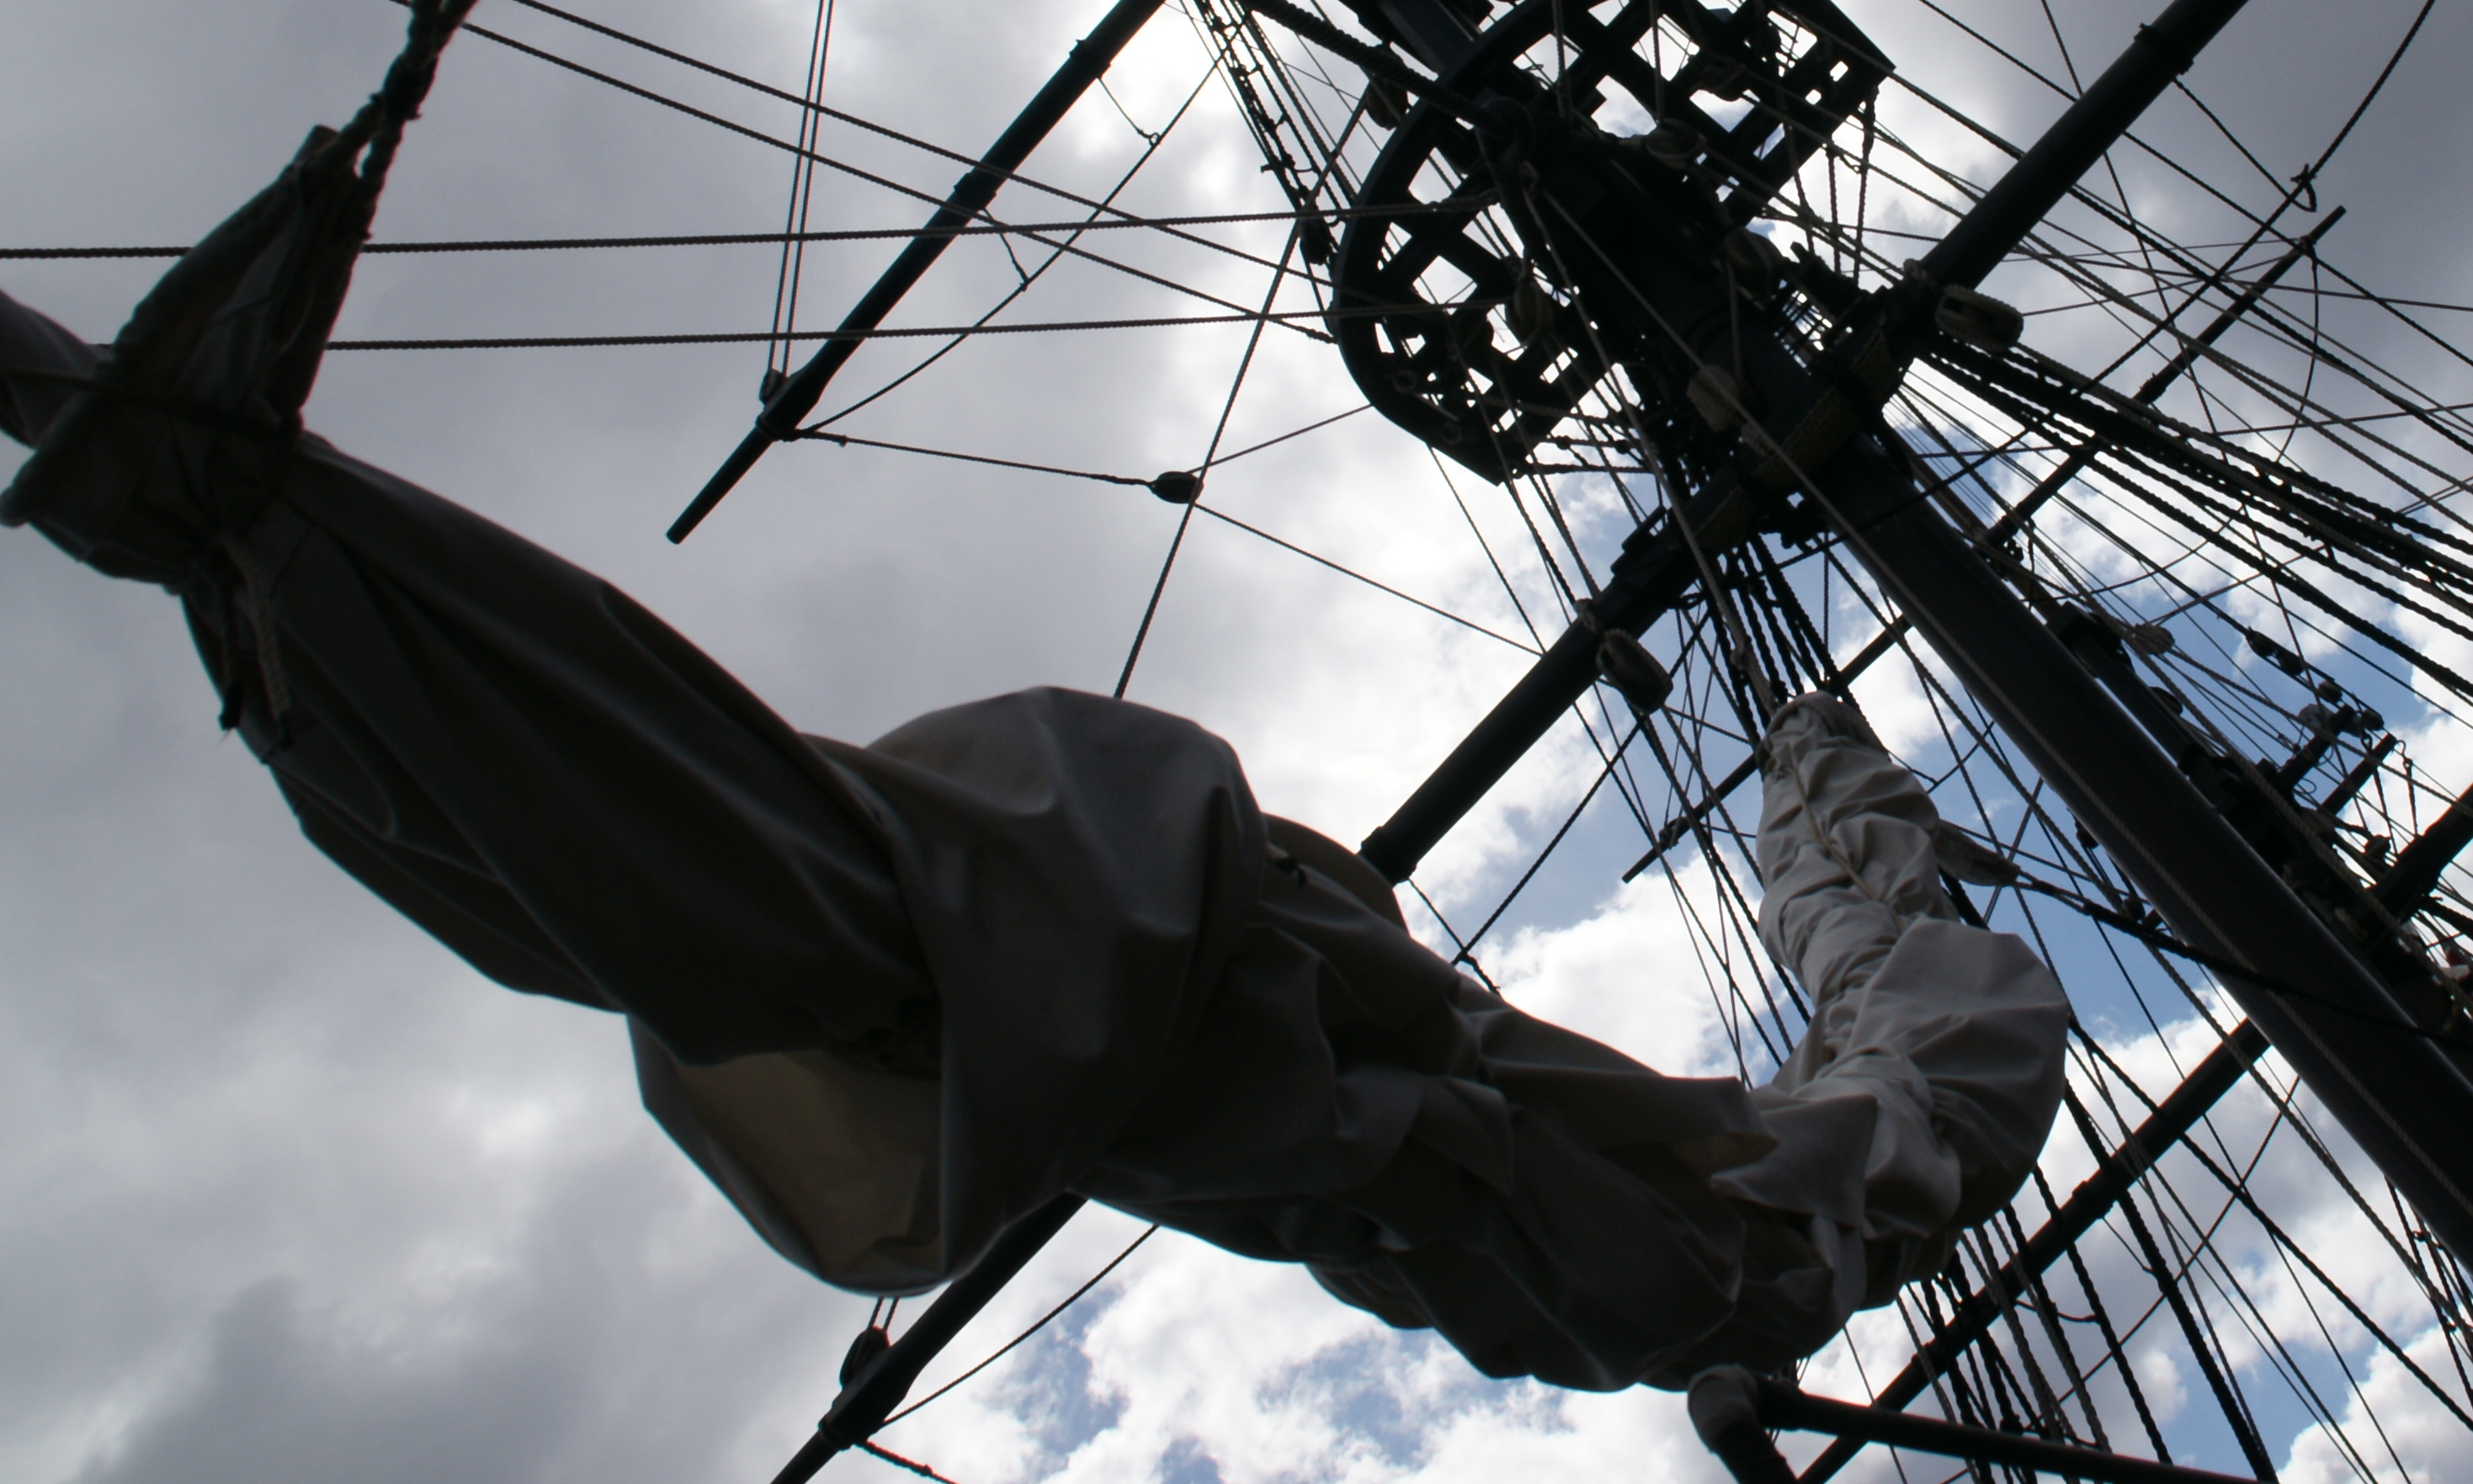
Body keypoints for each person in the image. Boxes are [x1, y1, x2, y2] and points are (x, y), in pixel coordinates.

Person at [0, 137, 2071, 1392]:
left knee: (921, 909)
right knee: (936, 913)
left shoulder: (1542, 1191)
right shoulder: (1588, 1184)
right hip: (1212, 974)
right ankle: (272, 537)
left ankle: (269, 542)